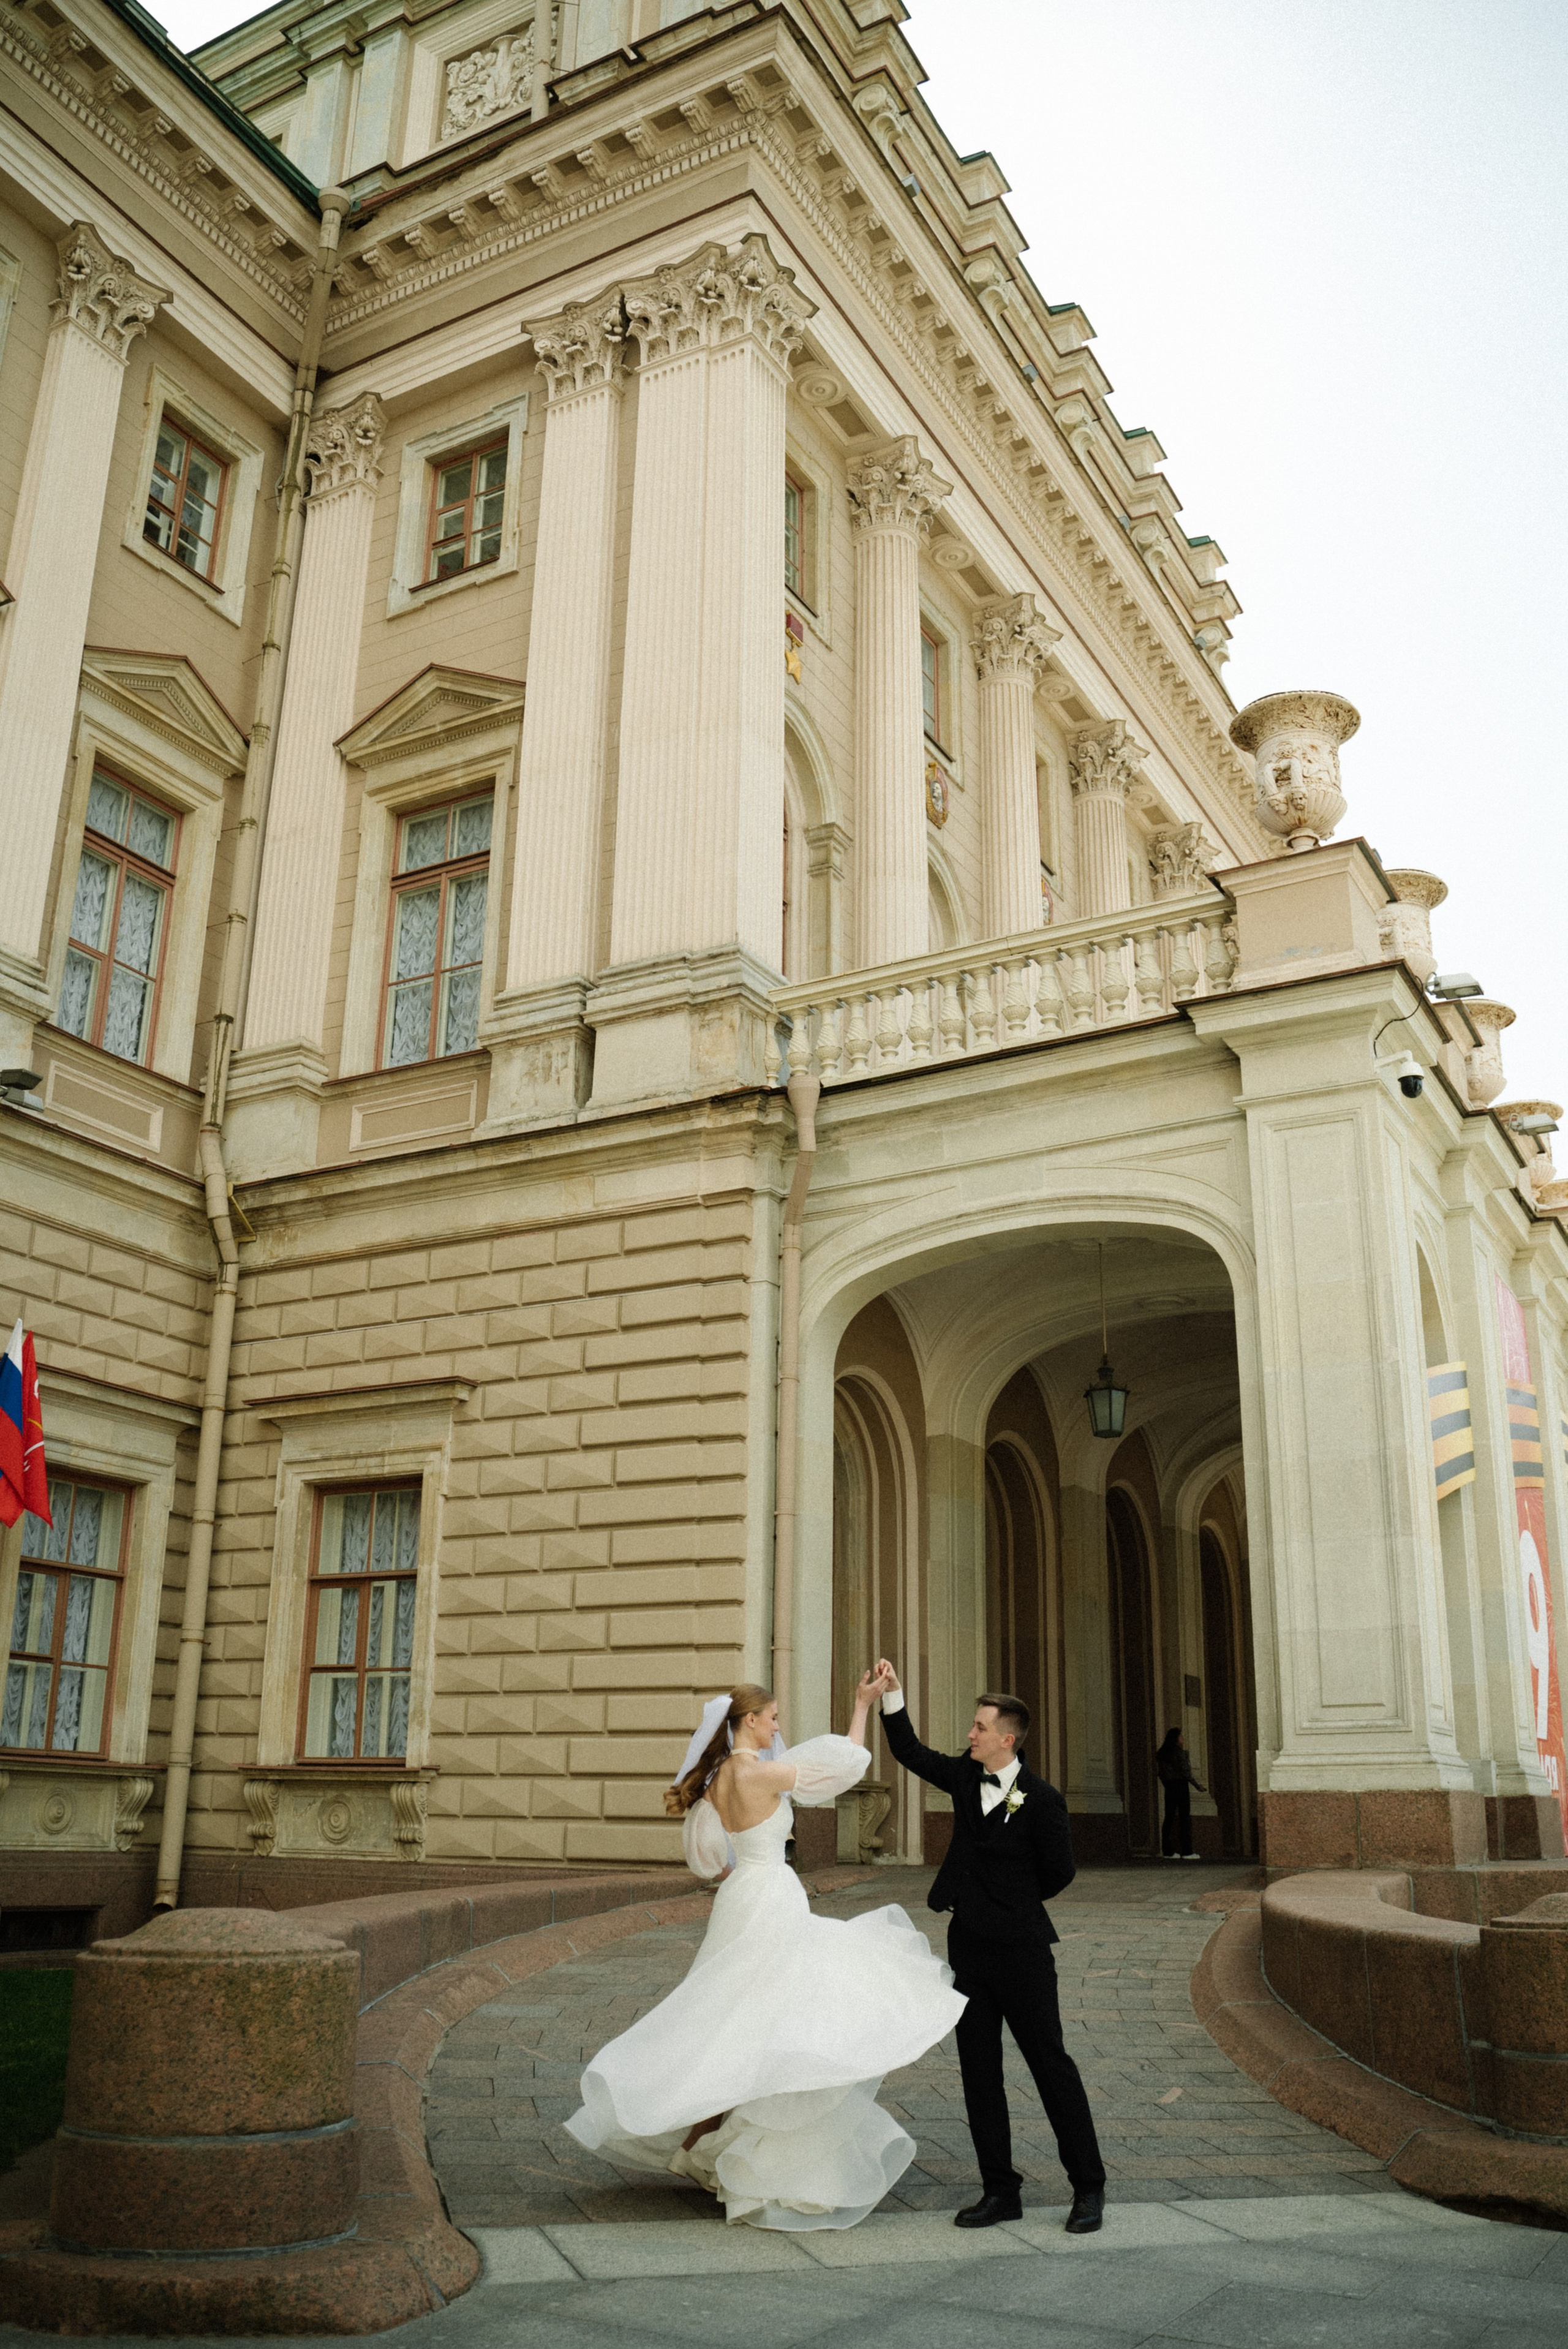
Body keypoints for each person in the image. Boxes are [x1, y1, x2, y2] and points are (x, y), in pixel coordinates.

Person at [564, 1671, 965, 2231]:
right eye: (772, 1717)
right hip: (770, 1893)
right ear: (749, 1721)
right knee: (771, 2016)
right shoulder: (756, 1771)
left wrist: (744, 1865)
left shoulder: (719, 1778)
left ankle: (699, 2140)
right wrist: (861, 1706)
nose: (778, 1726)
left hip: (740, 1894)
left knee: (729, 2016)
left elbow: (709, 1856)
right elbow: (846, 1766)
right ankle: (738, 2148)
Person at [876, 1661, 1106, 2234]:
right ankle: (1000, 2190)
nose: (971, 1733)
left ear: (1007, 1738)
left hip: (1024, 1952)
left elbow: (1060, 1872)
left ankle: (1089, 2187)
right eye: (973, 1725)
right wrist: (892, 1697)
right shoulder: (961, 1776)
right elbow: (910, 1751)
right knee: (980, 2072)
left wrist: (1011, 1901)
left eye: (981, 1727)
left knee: (1051, 2065)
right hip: (968, 1950)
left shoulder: (1044, 1799)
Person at [1156, 1727, 1205, 1860]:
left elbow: (1161, 1774)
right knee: (1184, 1819)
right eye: (1181, 1737)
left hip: (1170, 1787)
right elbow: (1186, 1773)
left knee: (1169, 1818)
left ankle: (1168, 1851)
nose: (1183, 1739)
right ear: (1176, 1739)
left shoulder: (1162, 1753)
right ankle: (1187, 1851)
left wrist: (1167, 1784)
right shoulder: (1179, 1754)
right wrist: (1197, 1786)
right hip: (1181, 1786)